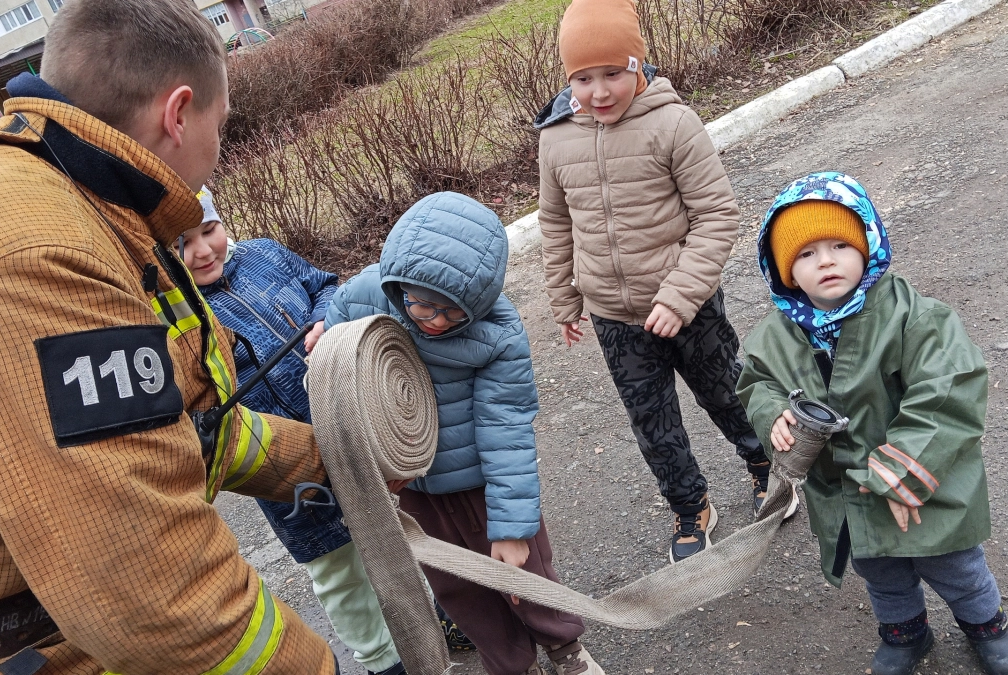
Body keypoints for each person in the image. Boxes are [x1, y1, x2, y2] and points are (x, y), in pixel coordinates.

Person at [0, 0, 338, 672]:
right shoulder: (33, 253)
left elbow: (189, 426)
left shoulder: (56, 187)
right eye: (220, 124)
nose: (217, 147)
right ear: (178, 114)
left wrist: (333, 458)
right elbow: (152, 594)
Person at [736, 172, 1008, 675]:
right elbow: (757, 382)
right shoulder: (774, 336)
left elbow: (948, 388)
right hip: (846, 489)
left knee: (954, 563)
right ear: (785, 272)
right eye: (805, 254)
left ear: (867, 245)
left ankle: (987, 626)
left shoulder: (914, 316)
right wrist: (772, 412)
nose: (825, 261)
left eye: (839, 245)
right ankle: (905, 634)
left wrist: (903, 465)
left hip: (924, 475)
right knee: (880, 569)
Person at [534, 0, 783, 564]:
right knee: (652, 420)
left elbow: (717, 215)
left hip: (689, 305)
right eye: (583, 78)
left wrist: (679, 296)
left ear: (637, 64)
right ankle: (690, 505)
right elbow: (556, 221)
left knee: (726, 392)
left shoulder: (673, 123)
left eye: (613, 73)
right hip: (615, 316)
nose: (599, 92)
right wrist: (565, 296)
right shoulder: (557, 138)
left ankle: (765, 463)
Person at [324, 191, 603, 675]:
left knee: (524, 574)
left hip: (481, 485)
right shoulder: (365, 295)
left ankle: (565, 647)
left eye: (452, 313)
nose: (434, 321)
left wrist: (511, 528)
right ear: (397, 283)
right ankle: (511, 665)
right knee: (459, 588)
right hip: (412, 483)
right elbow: (338, 352)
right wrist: (322, 339)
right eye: (421, 306)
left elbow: (506, 426)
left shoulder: (498, 332)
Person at [181, 187, 409, 675]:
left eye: (208, 230)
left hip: (348, 426)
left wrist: (325, 317)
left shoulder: (265, 254)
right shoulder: (182, 318)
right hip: (283, 467)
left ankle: (431, 616)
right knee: (337, 565)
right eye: (182, 244)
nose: (201, 251)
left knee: (397, 530)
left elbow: (326, 286)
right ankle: (382, 660)